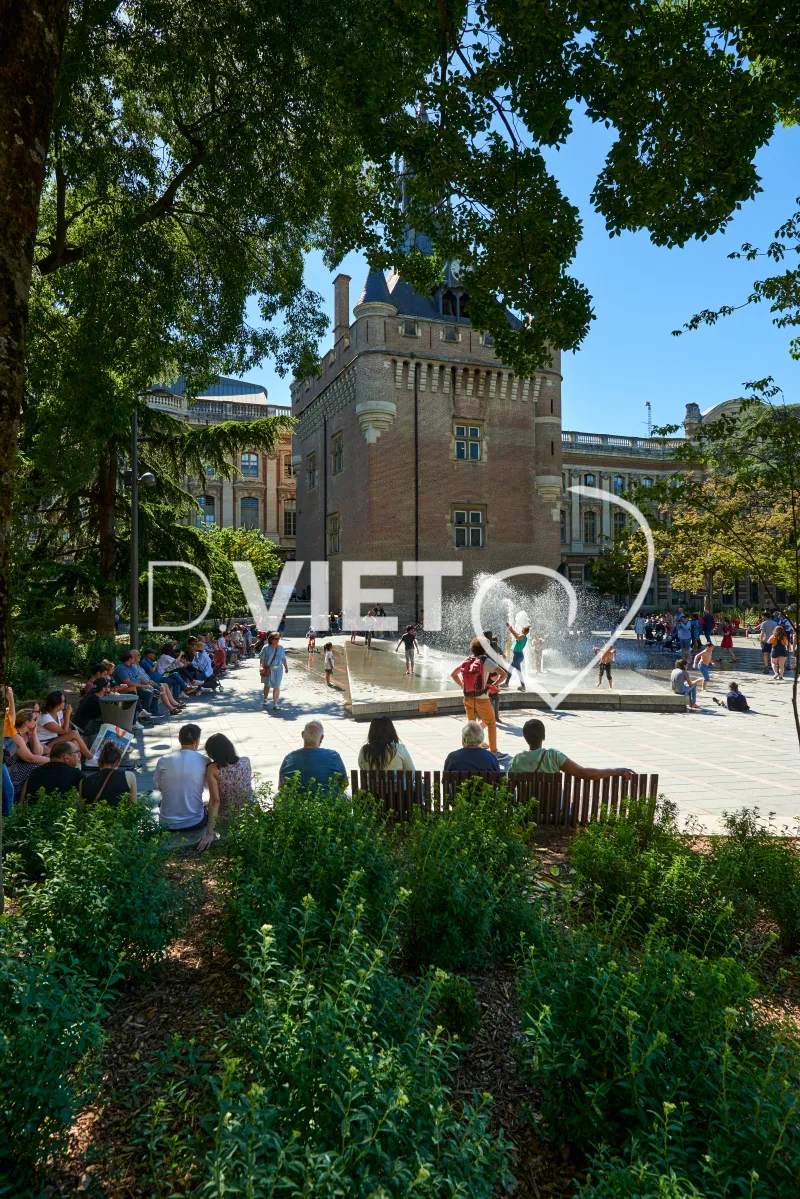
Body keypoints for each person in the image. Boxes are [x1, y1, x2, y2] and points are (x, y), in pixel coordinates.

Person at [508, 718, 636, 781]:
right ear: (543, 736)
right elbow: (582, 772)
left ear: (525, 737)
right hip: (554, 810)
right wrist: (616, 771)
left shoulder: (516, 761)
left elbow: (509, 789)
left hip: (526, 813)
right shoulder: (553, 756)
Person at [450, 638, 507, 754]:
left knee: (471, 724)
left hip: (468, 697)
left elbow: (453, 674)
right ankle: (494, 752)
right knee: (491, 723)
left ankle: (471, 748)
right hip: (482, 698)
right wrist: (494, 685)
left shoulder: (467, 660)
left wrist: (463, 685)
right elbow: (504, 674)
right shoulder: (485, 661)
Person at [197, 733, 253, 850]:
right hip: (246, 814)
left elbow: (215, 801)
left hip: (226, 818)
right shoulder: (246, 761)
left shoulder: (213, 769)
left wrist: (209, 834)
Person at [154, 724, 208, 831]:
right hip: (194, 821)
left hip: (166, 822)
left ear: (179, 740)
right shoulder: (204, 761)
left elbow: (161, 787)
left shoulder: (163, 760)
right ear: (197, 741)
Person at [278, 720, 347, 790]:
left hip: (294, 800)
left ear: (302, 734)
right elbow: (344, 784)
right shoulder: (333, 756)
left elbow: (281, 787)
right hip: (328, 800)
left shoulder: (289, 758)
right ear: (322, 738)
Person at [6, 704, 49, 797]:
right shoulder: (15, 735)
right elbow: (30, 758)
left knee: (40, 764)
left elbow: (38, 753)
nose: (36, 722)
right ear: (27, 722)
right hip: (9, 770)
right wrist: (52, 760)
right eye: (34, 719)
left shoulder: (27, 734)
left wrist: (34, 734)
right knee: (37, 767)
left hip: (19, 767)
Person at [37, 690, 93, 760]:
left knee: (74, 743)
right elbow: (64, 731)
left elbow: (63, 727)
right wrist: (67, 714)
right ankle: (90, 757)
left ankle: (76, 766)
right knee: (74, 733)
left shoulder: (58, 712)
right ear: (58, 705)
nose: (66, 703)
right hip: (45, 744)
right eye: (64, 701)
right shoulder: (45, 718)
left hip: (55, 738)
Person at [79, 741, 137, 805]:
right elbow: (133, 805)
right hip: (120, 814)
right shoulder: (129, 776)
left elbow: (83, 809)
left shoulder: (83, 782)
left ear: (98, 762)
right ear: (118, 763)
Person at [113, 650, 160, 720]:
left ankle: (153, 711)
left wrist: (147, 684)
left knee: (155, 690)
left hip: (137, 685)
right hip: (129, 688)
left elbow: (138, 677)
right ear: (129, 659)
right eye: (133, 658)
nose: (135, 659)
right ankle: (144, 717)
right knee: (149, 693)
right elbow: (128, 683)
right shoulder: (121, 668)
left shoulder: (131, 666)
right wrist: (143, 686)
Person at [259, 632, 288, 710]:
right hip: (269, 668)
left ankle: (275, 703)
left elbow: (283, 658)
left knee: (277, 685)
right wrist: (261, 667)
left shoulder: (281, 648)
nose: (277, 640)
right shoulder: (266, 648)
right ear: (271, 639)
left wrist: (286, 667)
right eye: (276, 638)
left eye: (278, 638)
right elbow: (262, 659)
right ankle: (265, 698)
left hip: (278, 669)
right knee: (267, 684)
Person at [503, 621, 530, 690]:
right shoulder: (523, 636)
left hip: (517, 656)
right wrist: (510, 627)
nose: (521, 630)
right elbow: (517, 634)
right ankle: (506, 683)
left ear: (524, 631)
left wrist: (511, 630)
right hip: (518, 655)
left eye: (522, 629)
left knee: (518, 671)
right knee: (510, 669)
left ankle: (523, 686)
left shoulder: (522, 636)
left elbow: (516, 636)